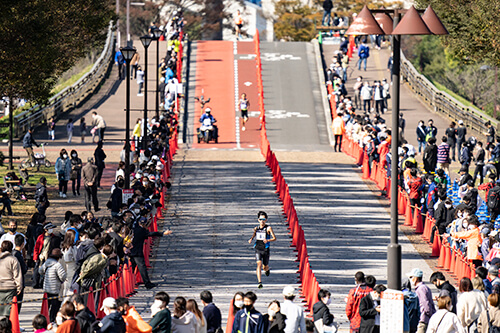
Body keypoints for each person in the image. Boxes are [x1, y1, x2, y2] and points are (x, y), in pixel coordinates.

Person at [130, 217, 172, 289]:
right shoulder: (142, 230)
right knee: (142, 268)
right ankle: (147, 283)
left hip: (131, 251)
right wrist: (162, 233)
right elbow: (151, 233)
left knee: (132, 268)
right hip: (137, 252)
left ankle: (131, 283)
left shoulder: (135, 229)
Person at [248, 211, 276, 289]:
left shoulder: (268, 228)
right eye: (260, 219)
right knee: (258, 264)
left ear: (266, 220)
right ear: (258, 220)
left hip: (265, 249)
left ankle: (267, 270)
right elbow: (254, 234)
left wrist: (268, 240)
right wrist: (251, 239)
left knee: (265, 266)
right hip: (258, 248)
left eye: (263, 219)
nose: (262, 221)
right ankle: (260, 282)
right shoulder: (256, 228)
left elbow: (274, 238)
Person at [40, 248, 66, 323]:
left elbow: (40, 271)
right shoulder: (58, 265)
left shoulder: (46, 263)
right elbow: (63, 276)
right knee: (55, 306)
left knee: (46, 305)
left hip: (46, 288)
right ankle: (52, 320)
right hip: (54, 289)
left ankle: (44, 320)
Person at [406, 268, 435, 333]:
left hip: (423, 319)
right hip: (425, 318)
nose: (410, 279)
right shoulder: (424, 287)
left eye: (411, 277)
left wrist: (428, 314)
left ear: (416, 278)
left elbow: (425, 305)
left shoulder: (421, 289)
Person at [0, 241, 21, 316]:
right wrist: (19, 287)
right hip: (10, 287)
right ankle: (7, 325)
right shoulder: (13, 259)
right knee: (9, 310)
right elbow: (17, 275)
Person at [12, 234, 27, 313]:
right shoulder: (18, 255)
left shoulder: (12, 254)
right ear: (23, 244)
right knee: (17, 304)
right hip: (19, 282)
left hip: (11, 282)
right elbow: (24, 269)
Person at [61, 230, 78, 301]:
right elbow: (76, 257)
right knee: (70, 285)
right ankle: (68, 301)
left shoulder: (63, 246)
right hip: (71, 267)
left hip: (64, 266)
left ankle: (65, 299)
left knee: (66, 285)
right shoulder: (72, 247)